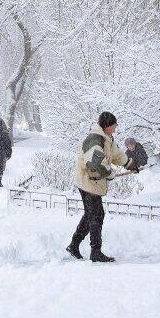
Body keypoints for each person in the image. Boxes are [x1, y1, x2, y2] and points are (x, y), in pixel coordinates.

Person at [67, 112, 139, 262]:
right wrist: (110, 173)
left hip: (94, 182)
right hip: (88, 182)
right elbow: (95, 165)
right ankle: (95, 252)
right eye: (114, 125)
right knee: (96, 216)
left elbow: (117, 155)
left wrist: (130, 163)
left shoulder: (107, 139)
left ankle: (74, 245)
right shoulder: (95, 140)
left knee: (92, 215)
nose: (115, 128)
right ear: (107, 125)